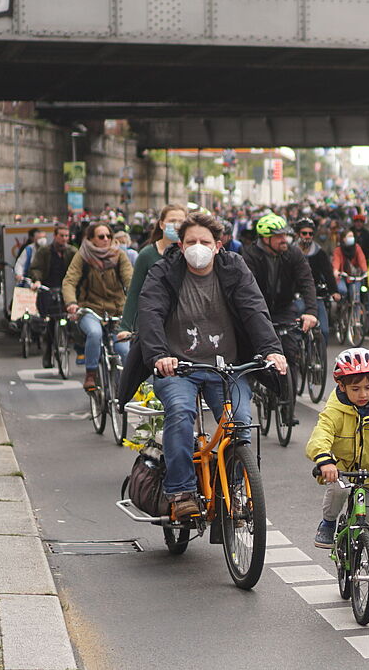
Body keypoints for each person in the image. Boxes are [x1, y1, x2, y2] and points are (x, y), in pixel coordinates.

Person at [119, 211, 287, 520]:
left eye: (204, 241)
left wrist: (272, 352)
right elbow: (150, 313)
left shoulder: (234, 268)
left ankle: (236, 489)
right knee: (180, 413)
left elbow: (254, 310)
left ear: (218, 245)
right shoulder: (163, 271)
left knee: (240, 420)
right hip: (177, 368)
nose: (198, 246)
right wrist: (159, 356)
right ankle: (181, 491)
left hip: (226, 368)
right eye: (191, 241)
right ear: (180, 246)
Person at [306, 348, 369, 591]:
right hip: (341, 470)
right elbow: (320, 436)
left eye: (368, 388)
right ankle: (329, 523)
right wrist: (325, 462)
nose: (363, 394)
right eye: (355, 389)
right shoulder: (334, 411)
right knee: (338, 492)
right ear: (341, 386)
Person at [241, 213, 318, 392]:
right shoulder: (249, 256)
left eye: (285, 235)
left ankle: (287, 404)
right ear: (265, 239)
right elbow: (244, 291)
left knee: (290, 352)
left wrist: (311, 311)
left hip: (284, 308)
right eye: (278, 236)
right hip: (257, 310)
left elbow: (306, 281)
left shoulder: (293, 253)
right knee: (255, 354)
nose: (284, 239)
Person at [62, 222, 133, 391]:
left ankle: (125, 387)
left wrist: (135, 301)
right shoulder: (83, 256)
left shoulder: (119, 255)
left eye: (109, 236)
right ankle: (91, 374)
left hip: (117, 310)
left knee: (124, 350)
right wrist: (71, 303)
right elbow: (70, 281)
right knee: (95, 333)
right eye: (101, 237)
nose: (106, 240)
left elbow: (130, 280)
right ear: (91, 239)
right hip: (90, 308)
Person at [120, 205, 187, 342]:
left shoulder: (189, 254)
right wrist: (125, 327)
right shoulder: (147, 254)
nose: (176, 226)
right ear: (162, 224)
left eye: (181, 222)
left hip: (181, 325)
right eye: (172, 221)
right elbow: (135, 291)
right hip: (150, 324)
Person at [293, 219, 335, 341]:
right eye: (304, 233)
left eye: (310, 233)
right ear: (297, 234)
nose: (307, 236)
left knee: (324, 331)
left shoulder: (319, 252)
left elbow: (328, 272)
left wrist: (334, 291)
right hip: (297, 296)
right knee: (296, 331)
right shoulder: (290, 252)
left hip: (316, 295)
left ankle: (320, 357)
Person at [28, 225, 78, 291]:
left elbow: (77, 270)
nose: (64, 238)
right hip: (47, 288)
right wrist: (37, 280)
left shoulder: (73, 251)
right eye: (61, 236)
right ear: (55, 236)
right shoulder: (44, 251)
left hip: (67, 289)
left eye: (66, 236)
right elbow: (36, 268)